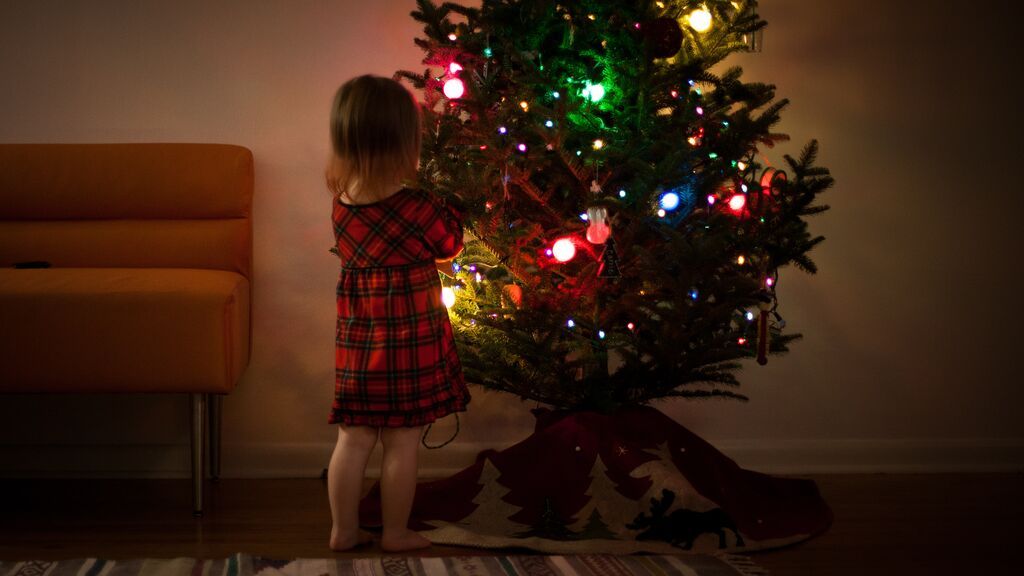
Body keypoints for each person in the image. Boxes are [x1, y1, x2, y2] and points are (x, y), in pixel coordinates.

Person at [323, 74, 470, 552]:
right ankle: (395, 533)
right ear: (405, 140)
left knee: (353, 439)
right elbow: (449, 246)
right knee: (402, 442)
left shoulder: (341, 204)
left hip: (360, 338)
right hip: (410, 336)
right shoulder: (418, 204)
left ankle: (343, 531)